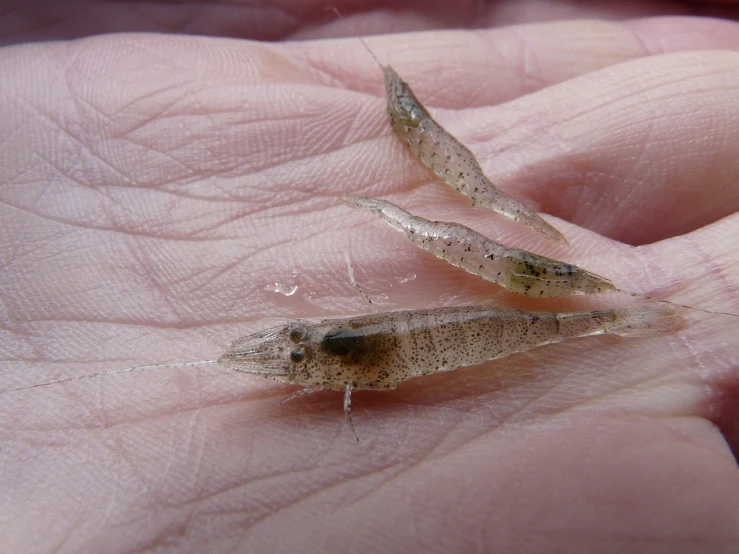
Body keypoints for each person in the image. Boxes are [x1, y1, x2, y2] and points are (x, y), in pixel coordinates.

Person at [1, 2, 738, 552]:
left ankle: (612, 316)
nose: (284, 348)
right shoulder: (325, 351)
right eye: (295, 349)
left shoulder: (342, 351)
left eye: (293, 347)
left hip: (476, 327)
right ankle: (613, 315)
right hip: (469, 324)